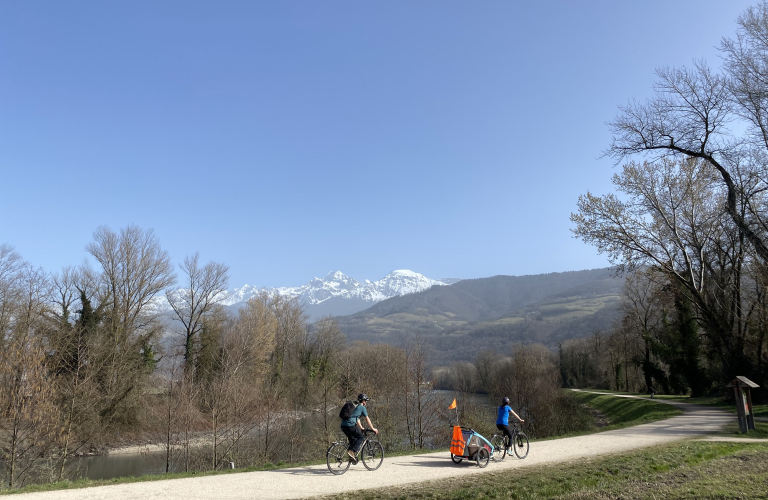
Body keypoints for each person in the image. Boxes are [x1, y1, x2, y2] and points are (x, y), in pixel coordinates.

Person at [340, 393, 378, 463]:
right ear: (363, 401)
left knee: (353, 440)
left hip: (343, 425)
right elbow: (367, 419)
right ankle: (352, 452)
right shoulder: (362, 408)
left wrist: (361, 427)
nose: (366, 402)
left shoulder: (355, 406)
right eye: (366, 400)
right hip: (350, 425)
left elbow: (356, 418)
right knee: (361, 437)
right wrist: (373, 429)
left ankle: (351, 456)